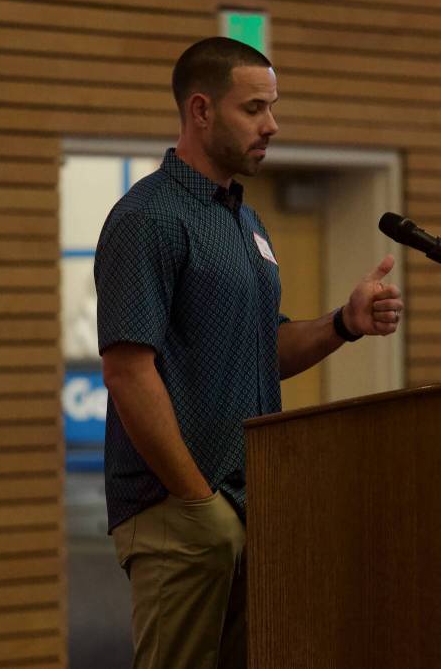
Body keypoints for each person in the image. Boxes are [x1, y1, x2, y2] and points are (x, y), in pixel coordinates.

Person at [94, 36, 404, 669]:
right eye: (254, 109)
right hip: (179, 510)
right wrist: (197, 502)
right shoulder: (148, 217)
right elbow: (127, 373)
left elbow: (264, 349)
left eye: (273, 107)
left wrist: (343, 324)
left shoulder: (245, 222)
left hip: (246, 504)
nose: (272, 125)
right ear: (201, 111)